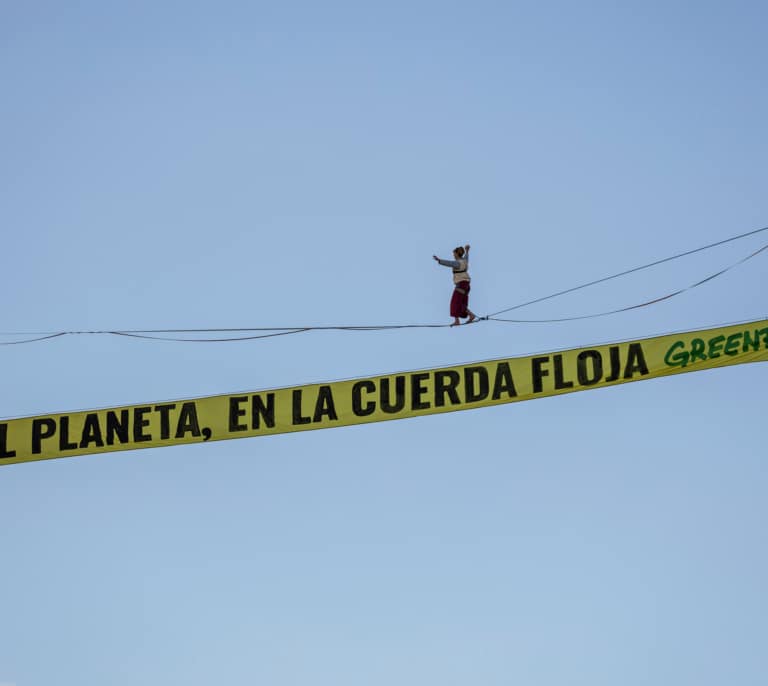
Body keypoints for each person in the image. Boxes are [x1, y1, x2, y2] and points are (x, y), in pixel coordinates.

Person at [433, 244, 477, 326]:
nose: (453, 255)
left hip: (461, 284)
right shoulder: (464, 261)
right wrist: (467, 251)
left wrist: (439, 260)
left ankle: (457, 321)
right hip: (467, 285)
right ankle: (471, 315)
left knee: (455, 302)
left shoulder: (458, 263)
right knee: (461, 303)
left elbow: (449, 263)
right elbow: (466, 257)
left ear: (457, 254)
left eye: (454, 254)